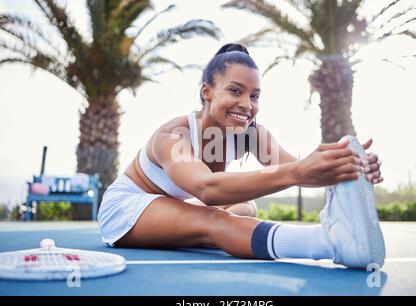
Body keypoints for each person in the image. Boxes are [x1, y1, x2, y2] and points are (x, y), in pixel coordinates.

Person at [98, 43, 385, 269]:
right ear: (207, 92)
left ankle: (197, 228)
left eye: (255, 96)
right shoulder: (173, 137)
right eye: (235, 91)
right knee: (214, 219)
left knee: (246, 208)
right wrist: (299, 172)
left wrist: (345, 168)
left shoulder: (252, 134)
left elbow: (300, 169)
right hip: (126, 209)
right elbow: (208, 189)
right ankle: (330, 243)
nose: (247, 105)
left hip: (174, 203)